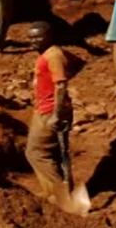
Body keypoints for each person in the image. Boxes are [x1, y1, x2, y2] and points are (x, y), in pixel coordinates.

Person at [24, 22, 74, 207]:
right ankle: (54, 192)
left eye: (38, 37)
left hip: (50, 111)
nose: (34, 41)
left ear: (50, 36)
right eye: (31, 37)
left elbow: (61, 85)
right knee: (52, 154)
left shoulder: (54, 55)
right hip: (45, 108)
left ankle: (61, 196)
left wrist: (56, 114)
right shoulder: (47, 54)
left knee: (36, 153)